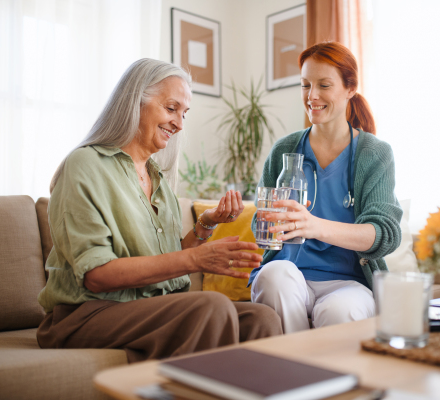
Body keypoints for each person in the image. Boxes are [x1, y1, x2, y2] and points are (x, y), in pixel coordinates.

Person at [37, 58, 282, 363]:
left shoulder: (158, 179)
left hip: (148, 306)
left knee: (261, 319)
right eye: (171, 108)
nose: (179, 124)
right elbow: (96, 275)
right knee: (210, 307)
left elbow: (164, 260)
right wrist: (195, 258)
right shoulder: (86, 165)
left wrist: (207, 223)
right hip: (86, 313)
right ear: (134, 102)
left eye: (184, 114)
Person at [249, 42, 402, 333]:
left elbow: (386, 235)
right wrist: (267, 223)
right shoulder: (285, 149)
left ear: (350, 88)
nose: (312, 96)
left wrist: (312, 226)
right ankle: (300, 370)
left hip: (349, 284)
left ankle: (315, 372)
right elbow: (261, 225)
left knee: (338, 309)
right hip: (291, 274)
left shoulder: (374, 153)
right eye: (305, 85)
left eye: (324, 85)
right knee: (273, 276)